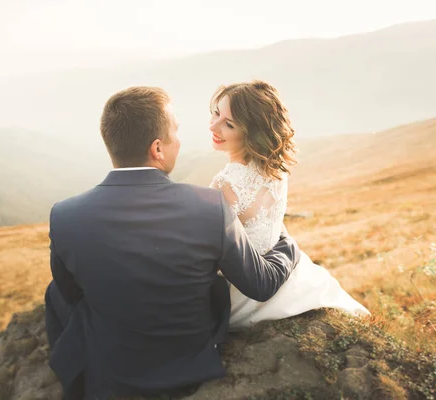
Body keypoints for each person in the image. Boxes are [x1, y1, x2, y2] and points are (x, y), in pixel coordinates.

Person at [44, 86, 302, 399]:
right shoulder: (209, 207)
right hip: (189, 366)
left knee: (55, 293)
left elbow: (72, 294)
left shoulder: (64, 215)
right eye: (175, 131)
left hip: (110, 372)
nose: (180, 139)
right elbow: (261, 283)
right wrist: (285, 241)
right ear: (157, 149)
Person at [208, 80, 370, 329]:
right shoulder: (275, 170)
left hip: (243, 292)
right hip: (281, 269)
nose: (213, 126)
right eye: (216, 113)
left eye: (228, 124)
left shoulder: (224, 185)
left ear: (251, 134)